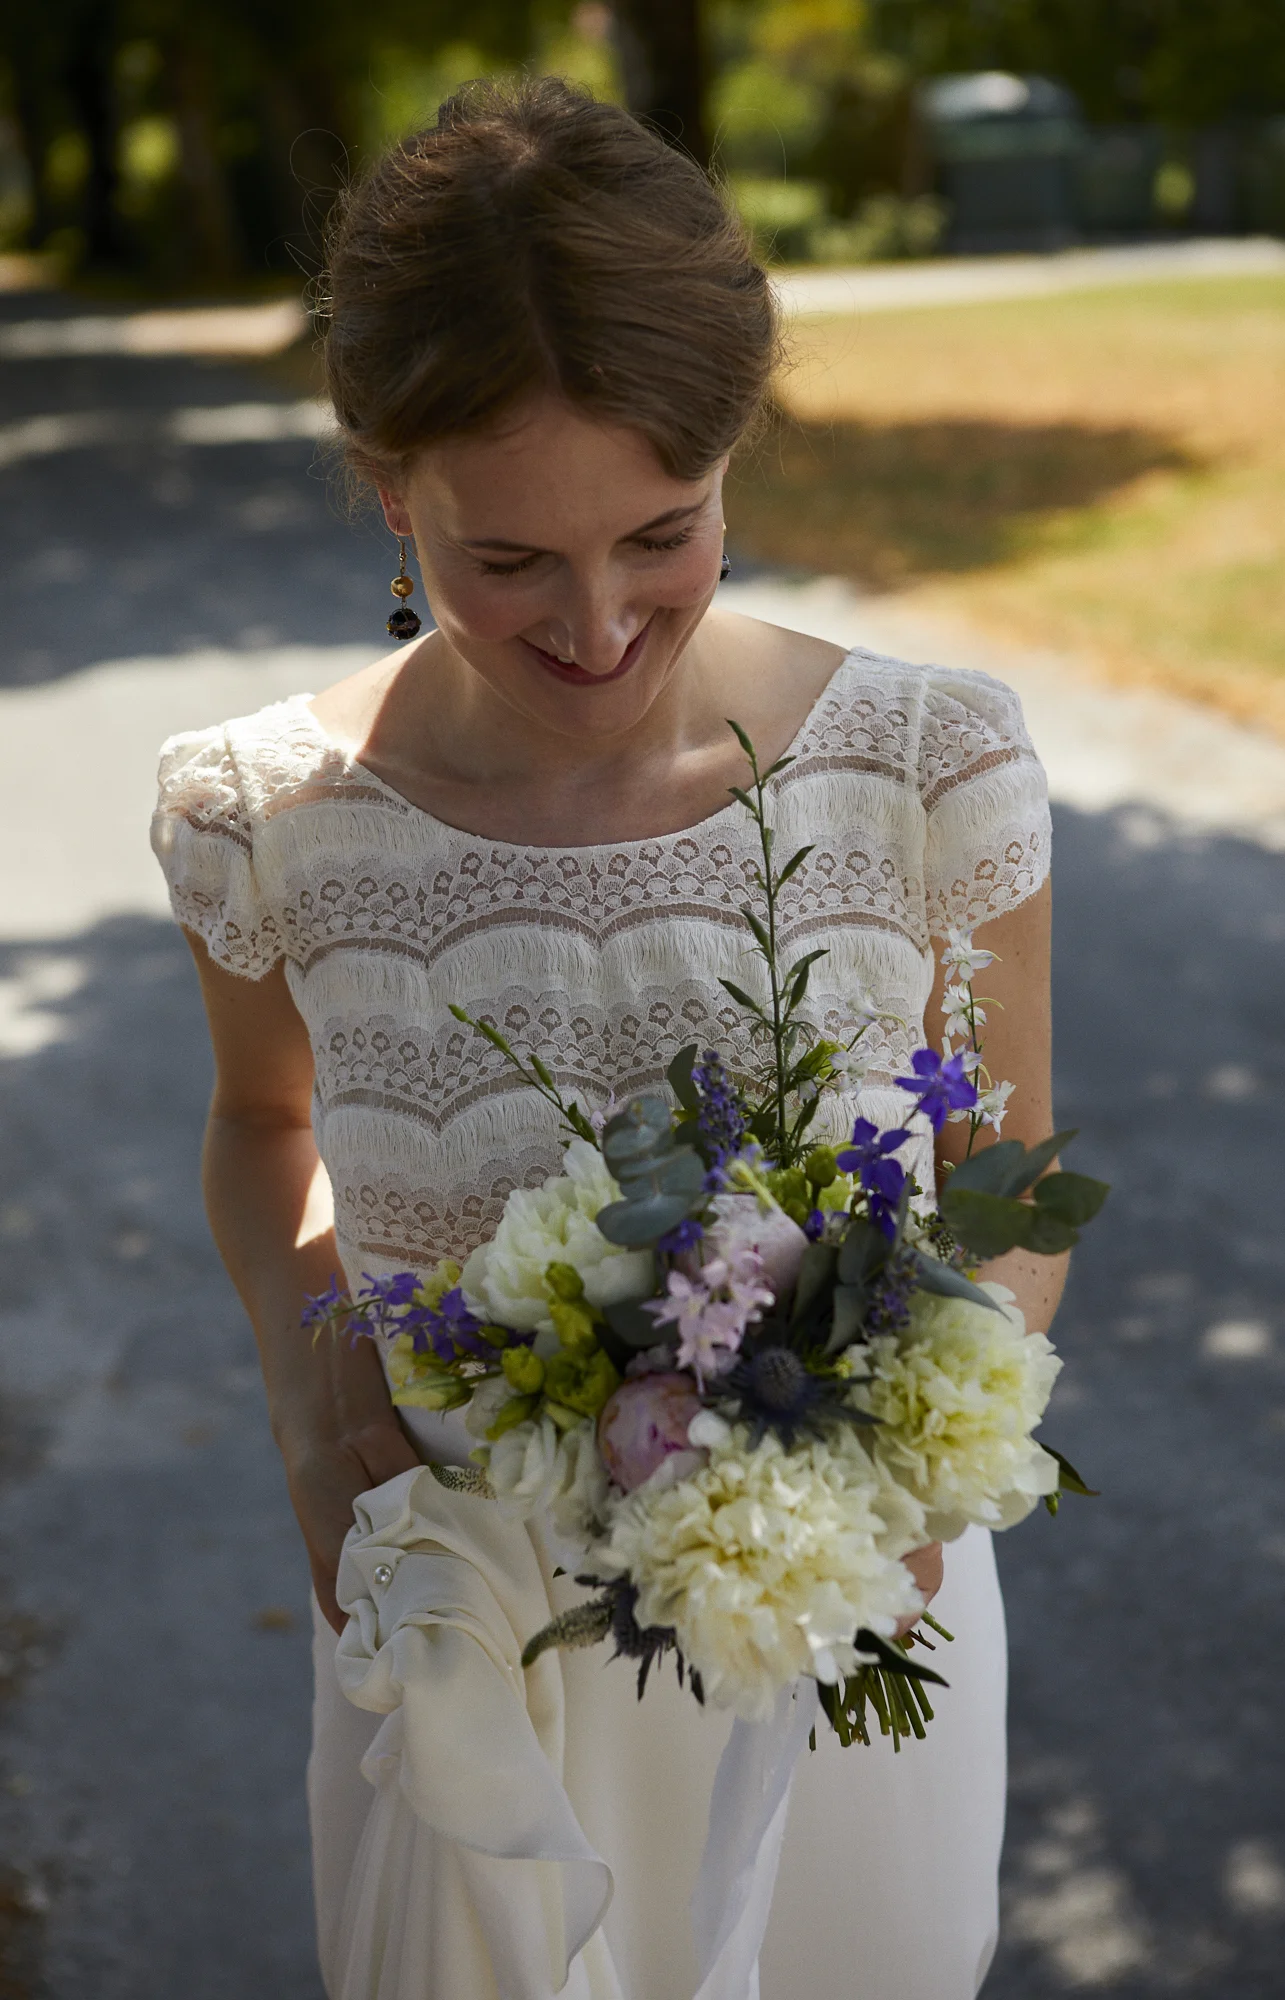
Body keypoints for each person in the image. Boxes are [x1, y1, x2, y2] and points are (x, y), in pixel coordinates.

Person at [151, 75, 1065, 2000]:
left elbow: (1007, 1163)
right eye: (508, 564)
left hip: (835, 1617)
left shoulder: (927, 767)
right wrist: (317, 1426)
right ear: (393, 495)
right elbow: (260, 1125)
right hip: (462, 1626)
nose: (594, 622)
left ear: (735, 454)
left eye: (663, 532)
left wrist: (910, 1464)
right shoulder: (266, 817)